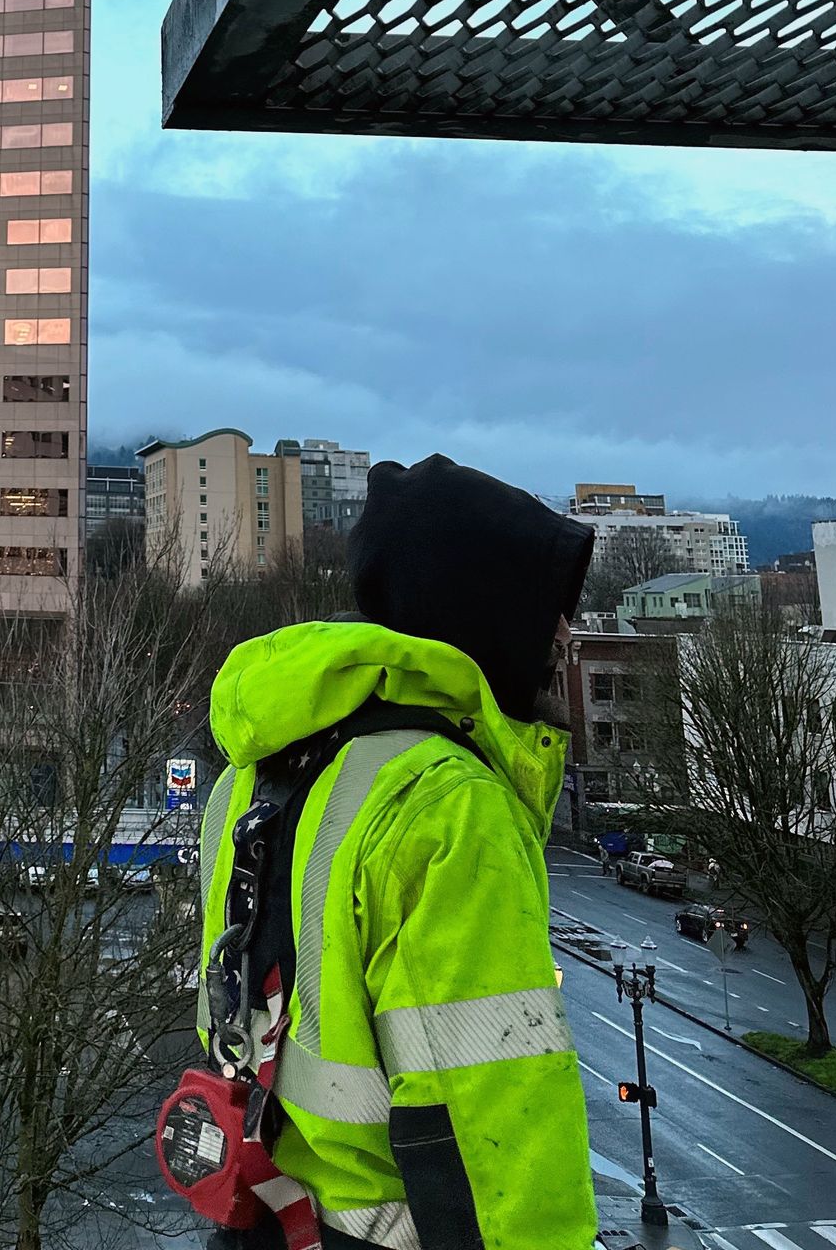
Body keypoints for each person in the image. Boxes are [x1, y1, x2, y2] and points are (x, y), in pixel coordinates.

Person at [192, 454, 598, 1249]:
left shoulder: (251, 778)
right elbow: (497, 1137)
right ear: (488, 609)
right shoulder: (449, 804)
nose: (566, 635)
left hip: (264, 1221)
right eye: (551, 607)